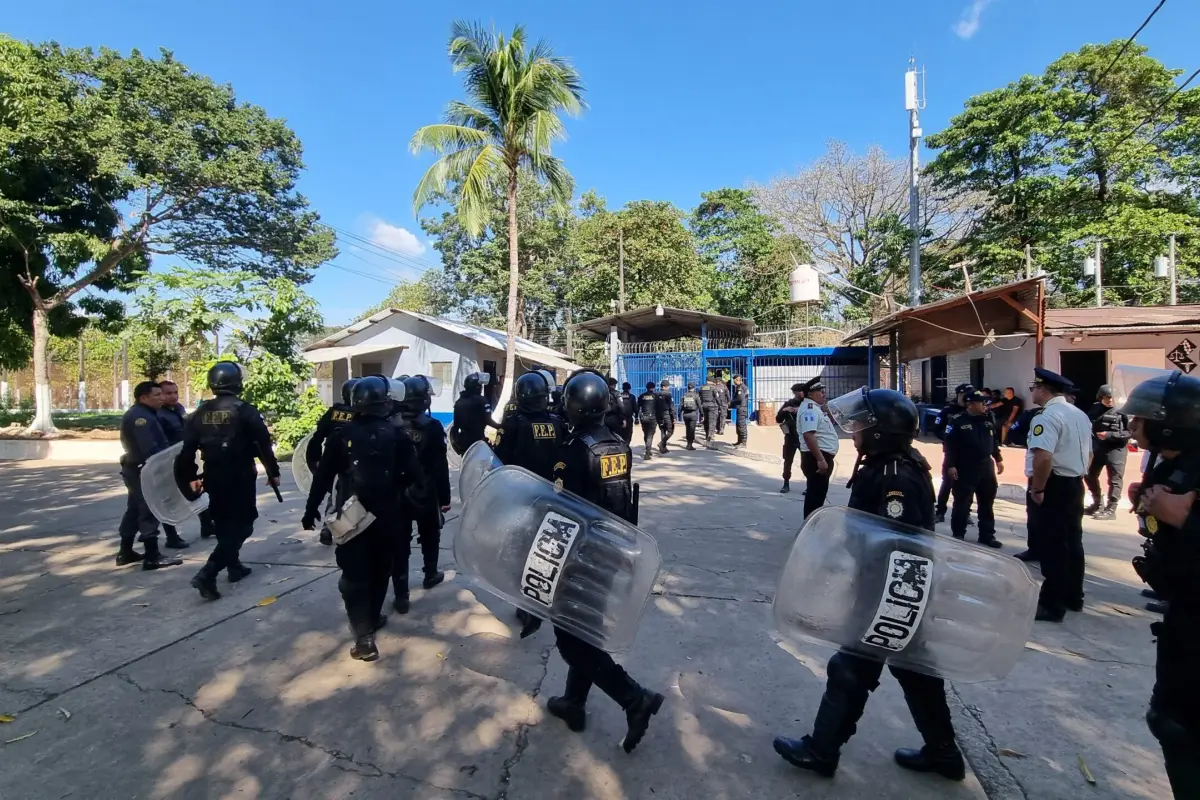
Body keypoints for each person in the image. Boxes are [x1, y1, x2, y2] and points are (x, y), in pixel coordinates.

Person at [774, 388, 965, 782]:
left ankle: (821, 751)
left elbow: (896, 541)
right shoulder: (894, 464)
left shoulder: (894, 475)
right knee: (916, 672)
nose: (856, 427)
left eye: (863, 422)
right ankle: (944, 754)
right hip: (901, 592)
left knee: (850, 671)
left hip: (890, 592)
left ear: (882, 431)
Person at [545, 371, 664, 752]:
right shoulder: (618, 445)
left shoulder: (572, 450)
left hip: (581, 553)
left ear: (574, 408)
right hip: (612, 549)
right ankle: (574, 703)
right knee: (587, 628)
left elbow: (560, 507)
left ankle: (634, 698)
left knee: (569, 638)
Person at [1119, 370, 1200, 796]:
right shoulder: (1174, 461)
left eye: (1140, 419)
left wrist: (1186, 520)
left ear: (1171, 423)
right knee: (1169, 721)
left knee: (1177, 725)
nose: (1133, 425)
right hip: (1182, 613)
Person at [303, 376, 423, 660]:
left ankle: (364, 636)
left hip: (350, 514)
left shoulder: (340, 436)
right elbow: (417, 479)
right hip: (388, 515)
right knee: (382, 569)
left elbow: (322, 478)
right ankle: (370, 618)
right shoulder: (398, 436)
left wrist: (311, 509)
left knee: (353, 576)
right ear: (385, 403)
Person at [177, 362, 281, 601]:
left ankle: (234, 567)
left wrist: (191, 476)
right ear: (238, 383)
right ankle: (208, 572)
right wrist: (272, 471)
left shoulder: (198, 414)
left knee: (223, 522)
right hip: (240, 475)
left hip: (213, 475)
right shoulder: (244, 410)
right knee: (244, 525)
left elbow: (187, 450)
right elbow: (262, 444)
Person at [494, 370, 565, 638]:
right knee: (544, 551)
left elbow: (498, 460)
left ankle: (526, 604)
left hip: (520, 498)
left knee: (521, 551)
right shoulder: (558, 423)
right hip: (551, 499)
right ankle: (539, 599)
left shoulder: (512, 424)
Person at [1024, 368, 1092, 622]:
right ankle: (1074, 596)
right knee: (1073, 542)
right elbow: (1090, 452)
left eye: (1033, 388)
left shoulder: (1046, 417)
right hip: (1075, 483)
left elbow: (1043, 456)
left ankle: (1052, 605)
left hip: (1055, 485)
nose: (1032, 392)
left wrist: (1038, 488)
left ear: (1043, 389)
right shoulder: (1079, 414)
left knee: (1053, 546)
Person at [389, 375, 453, 613]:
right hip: (426, 491)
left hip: (398, 494)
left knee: (399, 543)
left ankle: (401, 593)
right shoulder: (433, 427)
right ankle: (430, 573)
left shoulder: (391, 426)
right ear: (424, 399)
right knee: (430, 534)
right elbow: (440, 466)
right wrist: (445, 498)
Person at [117, 382, 184, 570]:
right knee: (148, 510)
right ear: (144, 398)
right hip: (144, 470)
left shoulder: (146, 413)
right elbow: (150, 450)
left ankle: (125, 552)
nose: (161, 398)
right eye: (157, 395)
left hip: (137, 469)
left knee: (134, 511)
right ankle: (152, 556)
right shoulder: (141, 418)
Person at [943, 390, 1004, 548]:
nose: (985, 405)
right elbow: (949, 445)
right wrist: (951, 465)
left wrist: (998, 459)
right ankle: (958, 534)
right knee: (962, 503)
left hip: (986, 467)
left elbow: (994, 441)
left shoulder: (987, 419)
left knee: (987, 503)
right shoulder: (957, 421)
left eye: (985, 402)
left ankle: (987, 535)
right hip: (965, 467)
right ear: (970, 404)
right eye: (981, 402)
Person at [306, 379, 359, 546]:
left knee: (335, 494)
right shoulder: (361, 415)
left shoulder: (333, 412)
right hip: (353, 463)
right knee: (347, 496)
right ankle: (336, 529)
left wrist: (314, 461)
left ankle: (328, 528)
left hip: (330, 460)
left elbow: (317, 436)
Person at [155, 380, 193, 549]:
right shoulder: (158, 415)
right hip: (166, 462)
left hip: (183, 459)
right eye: (168, 393)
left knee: (195, 491)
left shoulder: (179, 409)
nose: (173, 396)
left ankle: (207, 524)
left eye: (175, 392)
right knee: (167, 500)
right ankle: (171, 536)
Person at [1084, 385, 1131, 520]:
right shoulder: (1095, 408)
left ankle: (1111, 509)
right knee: (1089, 475)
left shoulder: (1123, 411)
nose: (1110, 400)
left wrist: (1109, 435)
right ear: (1101, 397)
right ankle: (1097, 503)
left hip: (1116, 449)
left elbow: (1129, 432)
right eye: (1107, 397)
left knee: (1115, 479)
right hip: (1099, 448)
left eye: (1112, 397)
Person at [798, 378, 839, 518]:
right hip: (816, 457)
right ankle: (810, 528)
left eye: (823, 391)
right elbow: (809, 436)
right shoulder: (809, 410)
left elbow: (825, 429)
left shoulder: (816, 409)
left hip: (820, 455)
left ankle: (811, 527)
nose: (823, 394)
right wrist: (821, 460)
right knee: (815, 497)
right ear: (810, 394)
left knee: (818, 495)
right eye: (820, 391)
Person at [933, 384, 972, 523]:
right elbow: (937, 428)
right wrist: (949, 439)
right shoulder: (948, 411)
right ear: (959, 395)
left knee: (967, 486)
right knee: (947, 483)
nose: (967, 398)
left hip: (969, 455)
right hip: (952, 454)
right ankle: (940, 512)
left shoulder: (972, 410)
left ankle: (965, 513)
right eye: (965, 395)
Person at [450, 372, 499, 455]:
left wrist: (456, 442)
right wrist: (501, 427)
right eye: (480, 386)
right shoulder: (481, 400)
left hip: (463, 442)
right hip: (478, 441)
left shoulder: (459, 402)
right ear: (477, 387)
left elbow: (456, 426)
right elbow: (488, 421)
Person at [776, 383, 805, 494]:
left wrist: (800, 410)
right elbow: (778, 419)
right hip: (791, 437)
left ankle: (809, 485)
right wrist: (785, 410)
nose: (802, 393)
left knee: (806, 463)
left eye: (804, 391)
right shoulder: (788, 404)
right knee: (788, 461)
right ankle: (786, 483)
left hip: (805, 438)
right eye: (800, 391)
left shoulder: (808, 404)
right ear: (795, 392)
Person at [637, 382, 658, 461]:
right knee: (650, 435)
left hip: (643, 417)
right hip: (652, 417)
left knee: (646, 434)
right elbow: (659, 408)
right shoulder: (655, 396)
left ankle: (647, 448)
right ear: (653, 388)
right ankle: (647, 452)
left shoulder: (642, 396)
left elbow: (637, 407)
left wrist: (637, 417)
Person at [678, 383, 702, 450]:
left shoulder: (684, 395)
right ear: (693, 388)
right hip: (693, 414)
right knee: (692, 430)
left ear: (688, 388)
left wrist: (679, 415)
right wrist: (702, 414)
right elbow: (700, 406)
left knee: (687, 429)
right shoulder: (696, 395)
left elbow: (680, 406)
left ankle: (688, 444)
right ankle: (690, 444)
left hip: (685, 414)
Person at [654, 379, 675, 454]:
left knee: (663, 431)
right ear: (665, 386)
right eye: (668, 386)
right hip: (667, 415)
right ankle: (661, 443)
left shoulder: (656, 394)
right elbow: (671, 406)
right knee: (670, 431)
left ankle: (663, 448)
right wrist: (674, 417)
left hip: (658, 415)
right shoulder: (668, 394)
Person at [731, 374, 750, 448]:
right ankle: (739, 441)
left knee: (742, 426)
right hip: (740, 408)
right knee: (738, 425)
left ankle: (743, 443)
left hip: (742, 408)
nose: (734, 382)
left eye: (734, 380)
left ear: (738, 380)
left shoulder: (741, 387)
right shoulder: (740, 387)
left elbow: (740, 398)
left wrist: (731, 402)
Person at [697, 376, 718, 441]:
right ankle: (710, 435)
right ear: (711, 381)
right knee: (712, 421)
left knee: (705, 421)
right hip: (712, 405)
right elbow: (717, 398)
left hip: (703, 405)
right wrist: (720, 405)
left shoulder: (701, 388)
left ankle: (706, 435)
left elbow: (698, 397)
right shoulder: (713, 388)